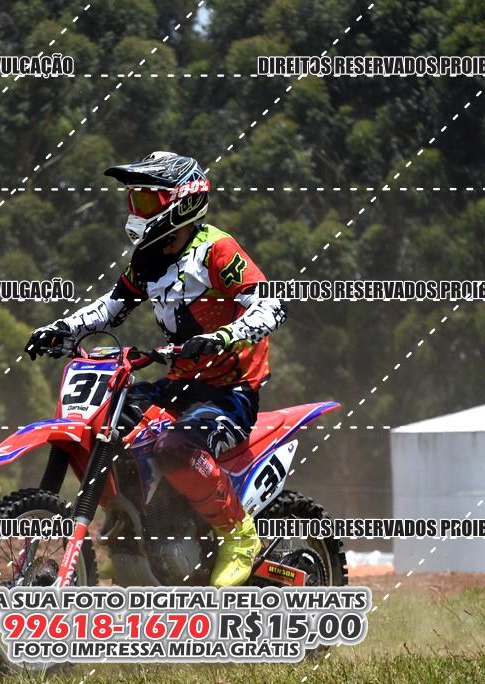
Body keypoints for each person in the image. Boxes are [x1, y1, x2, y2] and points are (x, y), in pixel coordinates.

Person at [24, 151, 287, 587]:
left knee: (175, 448)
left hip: (229, 390)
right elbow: (111, 308)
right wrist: (62, 328)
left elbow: (271, 304)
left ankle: (238, 534)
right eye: (134, 200)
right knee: (107, 423)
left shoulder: (217, 250)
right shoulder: (146, 258)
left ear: (183, 202)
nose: (137, 210)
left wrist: (225, 335)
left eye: (147, 200)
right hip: (179, 382)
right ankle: (134, 532)